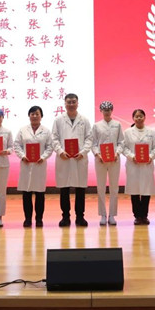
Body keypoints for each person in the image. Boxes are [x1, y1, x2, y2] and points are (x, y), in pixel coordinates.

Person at [51, 93, 92, 227]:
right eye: (69, 102)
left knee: (80, 189)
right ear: (65, 104)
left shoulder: (84, 120)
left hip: (79, 158)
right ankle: (65, 217)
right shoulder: (58, 120)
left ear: (77, 103)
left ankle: (80, 217)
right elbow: (54, 138)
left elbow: (89, 138)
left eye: (74, 102)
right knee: (64, 189)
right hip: (64, 158)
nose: (71, 104)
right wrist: (60, 151)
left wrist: (83, 152)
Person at [14, 105, 54, 228]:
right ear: (29, 116)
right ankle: (27, 219)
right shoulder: (23, 130)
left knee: (40, 194)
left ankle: (39, 219)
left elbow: (50, 146)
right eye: (32, 114)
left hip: (39, 165)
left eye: (37, 114)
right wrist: (22, 156)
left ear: (41, 116)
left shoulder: (46, 131)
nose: (35, 116)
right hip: (26, 164)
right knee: (26, 194)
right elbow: (17, 145)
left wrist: (43, 157)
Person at [122, 109, 155, 225]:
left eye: (141, 116)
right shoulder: (127, 132)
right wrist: (132, 156)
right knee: (134, 191)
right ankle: (137, 216)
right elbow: (124, 147)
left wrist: (151, 156)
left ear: (144, 117)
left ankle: (144, 215)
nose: (139, 118)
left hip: (146, 165)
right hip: (133, 165)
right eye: (136, 116)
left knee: (146, 191)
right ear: (133, 118)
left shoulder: (151, 132)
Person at [91, 101, 125, 226]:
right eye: (104, 110)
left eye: (109, 109)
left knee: (114, 188)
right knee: (101, 187)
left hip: (114, 159)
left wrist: (117, 153)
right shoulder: (96, 126)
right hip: (100, 159)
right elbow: (93, 143)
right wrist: (97, 154)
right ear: (101, 111)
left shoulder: (117, 125)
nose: (107, 112)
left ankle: (112, 215)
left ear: (112, 110)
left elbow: (121, 142)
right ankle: (103, 214)